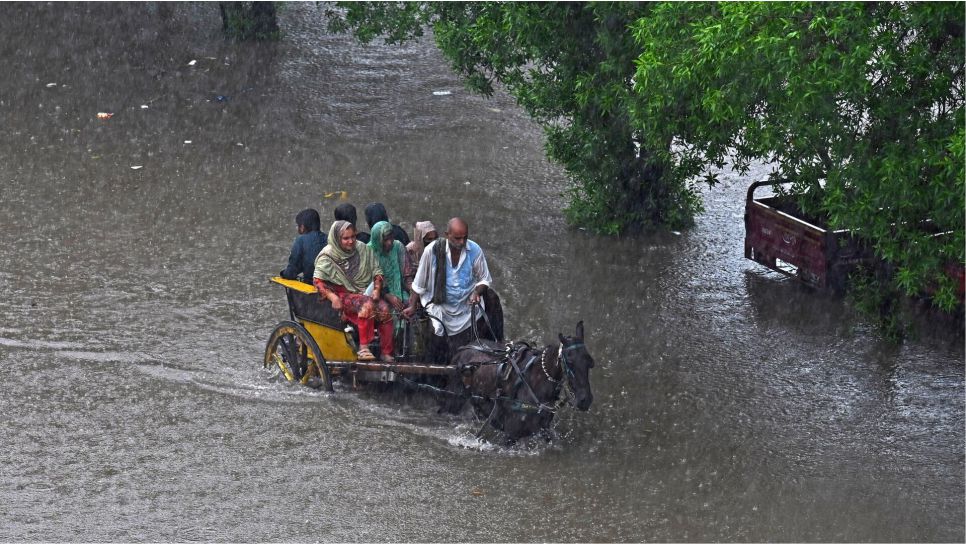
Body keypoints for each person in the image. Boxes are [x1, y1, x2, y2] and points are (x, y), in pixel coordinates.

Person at [411, 217, 502, 360]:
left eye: (465, 238)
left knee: (490, 301)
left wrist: (477, 292)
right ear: (447, 235)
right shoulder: (432, 251)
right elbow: (419, 284)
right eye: (457, 238)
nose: (462, 242)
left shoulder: (474, 250)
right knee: (436, 331)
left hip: (466, 306)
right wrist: (411, 306)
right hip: (439, 306)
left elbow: (484, 279)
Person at [313, 220, 394, 362]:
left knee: (385, 309)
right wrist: (333, 297)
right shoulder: (327, 256)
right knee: (366, 305)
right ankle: (364, 348)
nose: (351, 241)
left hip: (365, 292)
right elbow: (317, 282)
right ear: (337, 239)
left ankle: (386, 352)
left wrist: (376, 289)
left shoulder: (363, 249)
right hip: (341, 295)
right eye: (346, 238)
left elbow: (377, 272)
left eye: (353, 237)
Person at [367, 221, 416, 337]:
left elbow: (407, 275)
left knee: (411, 308)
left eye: (391, 238)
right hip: (376, 294)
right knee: (386, 311)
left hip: (399, 290)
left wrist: (413, 292)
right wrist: (388, 296)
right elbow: (368, 283)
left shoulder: (398, 246)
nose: (389, 243)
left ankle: (408, 346)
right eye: (385, 240)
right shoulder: (368, 251)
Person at [280, 208, 326, 284]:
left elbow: (292, 271)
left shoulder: (301, 240)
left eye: (298, 226)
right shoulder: (329, 238)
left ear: (302, 227)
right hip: (330, 285)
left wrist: (283, 273)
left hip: (311, 284)